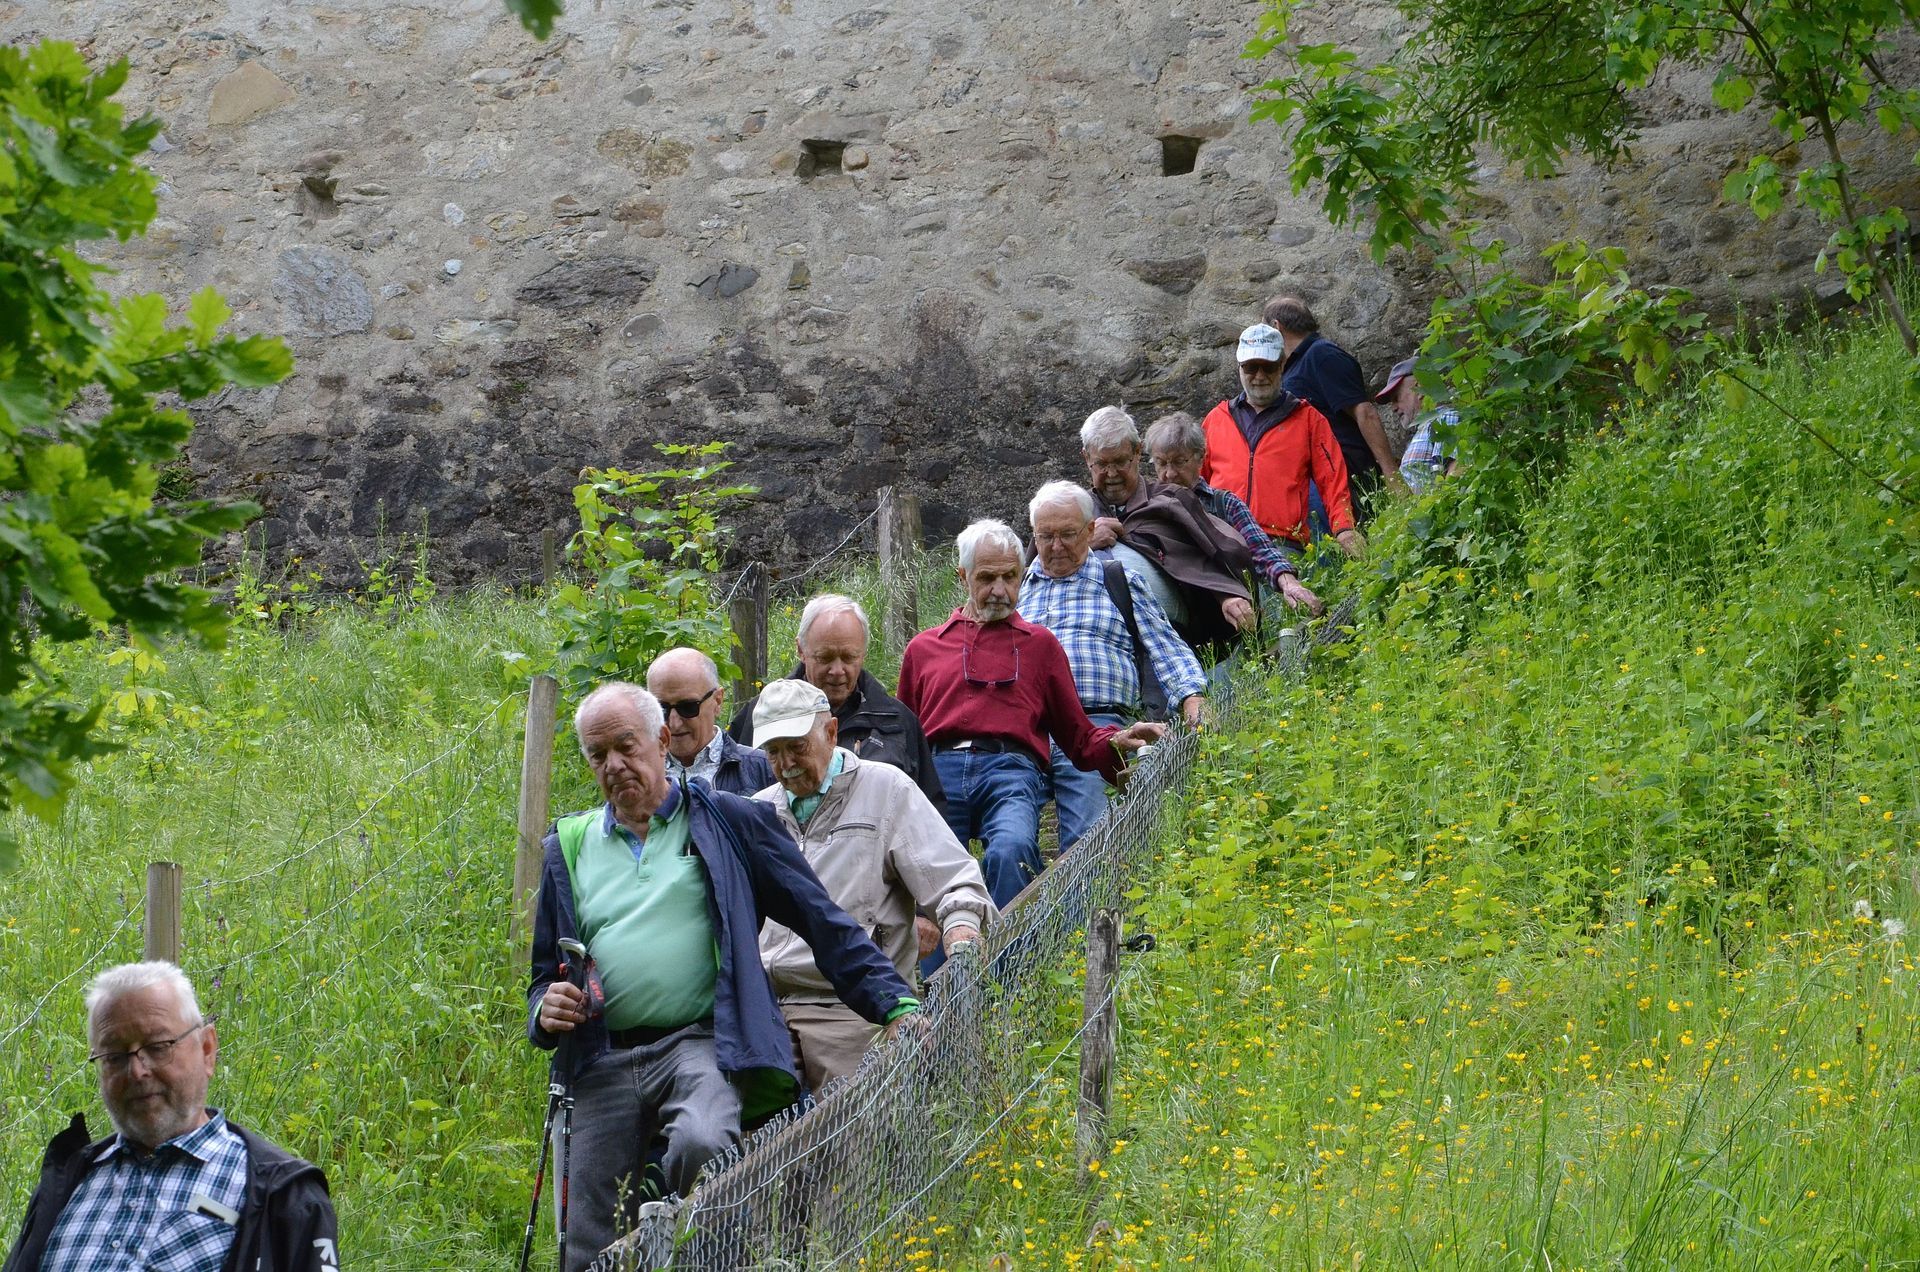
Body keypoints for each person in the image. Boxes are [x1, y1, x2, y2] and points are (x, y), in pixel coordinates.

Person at [528, 681, 921, 1269]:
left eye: (626, 746)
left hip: (700, 1042)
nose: (614, 765)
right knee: (587, 1231)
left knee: (704, 1141)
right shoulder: (569, 845)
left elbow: (821, 919)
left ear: (663, 741)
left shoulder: (728, 822)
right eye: (597, 754)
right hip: (601, 1055)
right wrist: (545, 1008)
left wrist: (894, 1002)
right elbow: (544, 975)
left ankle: (712, 1259)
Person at [896, 519, 1166, 909]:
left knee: (1013, 848)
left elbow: (1077, 735)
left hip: (1011, 770)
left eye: (1010, 577)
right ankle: (952, 951)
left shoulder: (1040, 645)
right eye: (987, 578)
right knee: (936, 868)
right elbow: (904, 739)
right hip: (940, 772)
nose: (1000, 590)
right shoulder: (924, 648)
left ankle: (1010, 949)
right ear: (963, 576)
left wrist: (1118, 740)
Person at [5, 962, 339, 1272]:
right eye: (115, 1056)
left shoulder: (282, 1196)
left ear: (207, 1050)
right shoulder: (68, 1182)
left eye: (158, 1046)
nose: (137, 1071)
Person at [749, 679, 994, 1091]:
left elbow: (954, 878)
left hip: (855, 1004)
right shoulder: (758, 811)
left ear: (830, 733)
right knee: (740, 1115)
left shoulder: (885, 790)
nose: (786, 763)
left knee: (849, 1117)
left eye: (797, 746)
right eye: (773, 751)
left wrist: (961, 925)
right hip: (768, 1007)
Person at [1023, 481, 1207, 850]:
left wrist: (1193, 698)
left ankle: (1089, 889)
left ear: (1090, 530)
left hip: (1098, 725)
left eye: (1067, 535)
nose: (1056, 546)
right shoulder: (1016, 589)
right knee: (1011, 839)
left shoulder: (1118, 580)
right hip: (1027, 730)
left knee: (1088, 843)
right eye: (1045, 536)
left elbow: (1167, 648)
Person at [727, 594, 945, 812]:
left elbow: (930, 812)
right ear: (801, 650)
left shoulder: (896, 721)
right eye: (825, 658)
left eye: (849, 657)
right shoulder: (761, 717)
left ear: (863, 653)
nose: (838, 670)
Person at [1078, 405, 1259, 654]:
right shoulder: (1071, 515)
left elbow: (1215, 555)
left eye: (1120, 462)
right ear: (1086, 458)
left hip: (1173, 642)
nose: (1111, 474)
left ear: (1138, 451)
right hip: (1096, 642)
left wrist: (1227, 596)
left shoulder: (1171, 500)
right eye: (1100, 464)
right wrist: (1082, 543)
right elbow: (1037, 571)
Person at [1200, 323, 1367, 560]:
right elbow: (1196, 483)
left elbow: (1332, 480)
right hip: (1223, 539)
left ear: (1281, 366)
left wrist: (1344, 528)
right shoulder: (1216, 419)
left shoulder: (1308, 419)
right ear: (1239, 368)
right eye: (1251, 367)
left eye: (1268, 366)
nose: (1259, 376)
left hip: (1282, 543)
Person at [1144, 411, 1324, 616]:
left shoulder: (1225, 504)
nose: (1169, 473)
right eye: (1161, 463)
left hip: (1234, 614)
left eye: (1179, 462)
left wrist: (1289, 583)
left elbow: (1263, 552)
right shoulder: (1148, 509)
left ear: (1200, 457)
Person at [1263, 295, 1406, 516]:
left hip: (1348, 479)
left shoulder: (1322, 354)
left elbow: (1364, 413)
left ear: (1276, 326)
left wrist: (1392, 477)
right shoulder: (1295, 365)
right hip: (1318, 481)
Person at [647, 647, 773, 795]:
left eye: (688, 707)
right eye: (661, 709)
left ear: (717, 700)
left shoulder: (764, 770)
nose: (674, 723)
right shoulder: (635, 773)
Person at [1376, 356, 1461, 493]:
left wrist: (1445, 503)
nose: (1393, 408)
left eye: (1396, 398)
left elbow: (1458, 467)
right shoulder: (1425, 429)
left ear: (1419, 388)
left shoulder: (1444, 418)